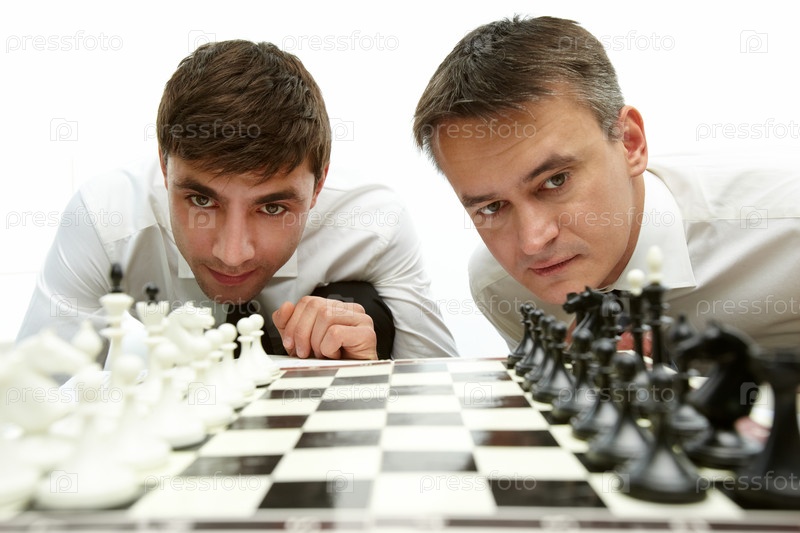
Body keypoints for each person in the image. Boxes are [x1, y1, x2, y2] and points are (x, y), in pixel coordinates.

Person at [18, 39, 457, 364]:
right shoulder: (106, 217)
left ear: (319, 184)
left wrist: (372, 375)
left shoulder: (373, 223)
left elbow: (438, 388)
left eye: (272, 208)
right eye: (201, 200)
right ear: (164, 167)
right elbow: (32, 396)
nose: (232, 254)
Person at [412, 15, 800, 352]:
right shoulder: (500, 287)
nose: (533, 242)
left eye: (555, 180)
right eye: (492, 207)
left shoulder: (787, 234)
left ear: (630, 143)